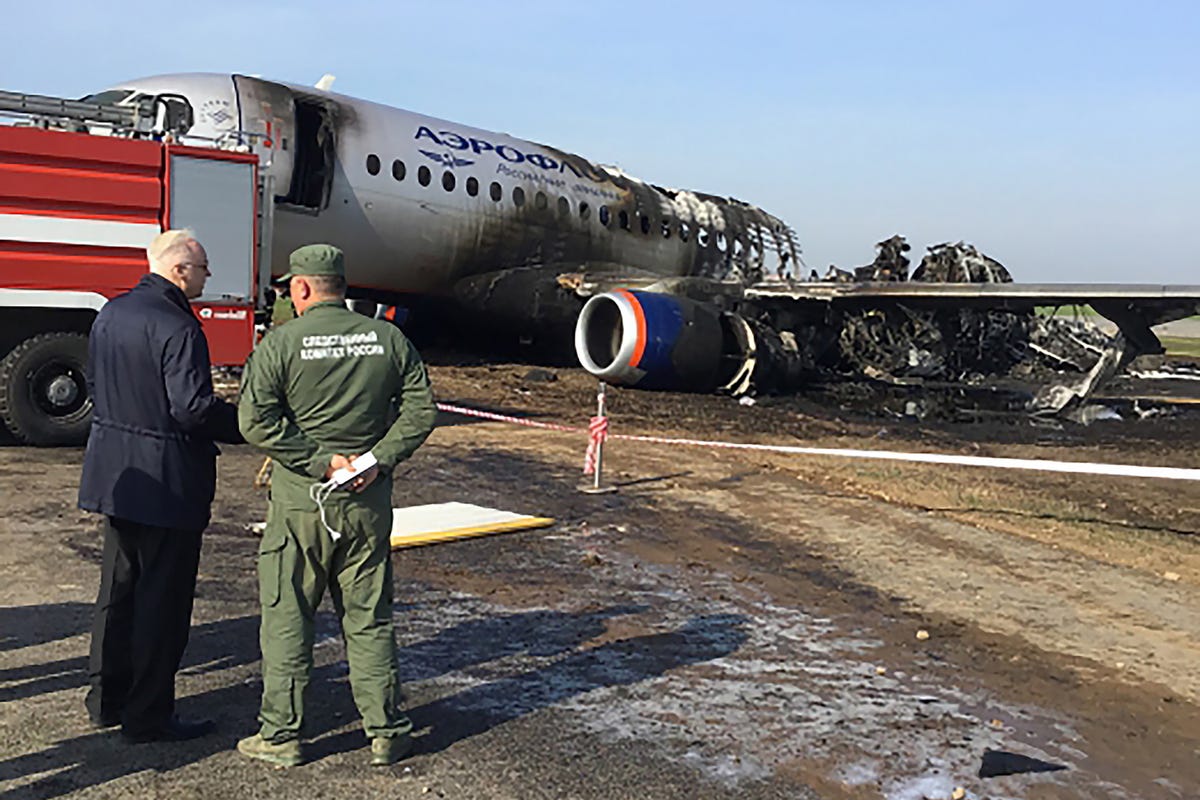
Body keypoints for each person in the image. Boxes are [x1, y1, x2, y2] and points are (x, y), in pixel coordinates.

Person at [236, 244, 437, 767]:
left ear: (301, 288)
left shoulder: (280, 344)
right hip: (367, 503)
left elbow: (255, 422)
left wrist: (321, 461)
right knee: (369, 619)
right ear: (341, 286)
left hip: (303, 506)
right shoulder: (388, 339)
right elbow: (421, 411)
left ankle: (281, 736)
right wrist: (376, 459)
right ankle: (388, 730)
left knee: (288, 617)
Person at [78, 229, 243, 742]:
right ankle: (148, 714)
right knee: (161, 602)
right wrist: (244, 423)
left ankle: (106, 699)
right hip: (167, 482)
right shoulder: (180, 327)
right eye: (203, 268)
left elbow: (95, 382)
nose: (207, 277)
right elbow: (191, 409)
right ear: (179, 270)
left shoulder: (111, 313)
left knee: (117, 591)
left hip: (115, 475)